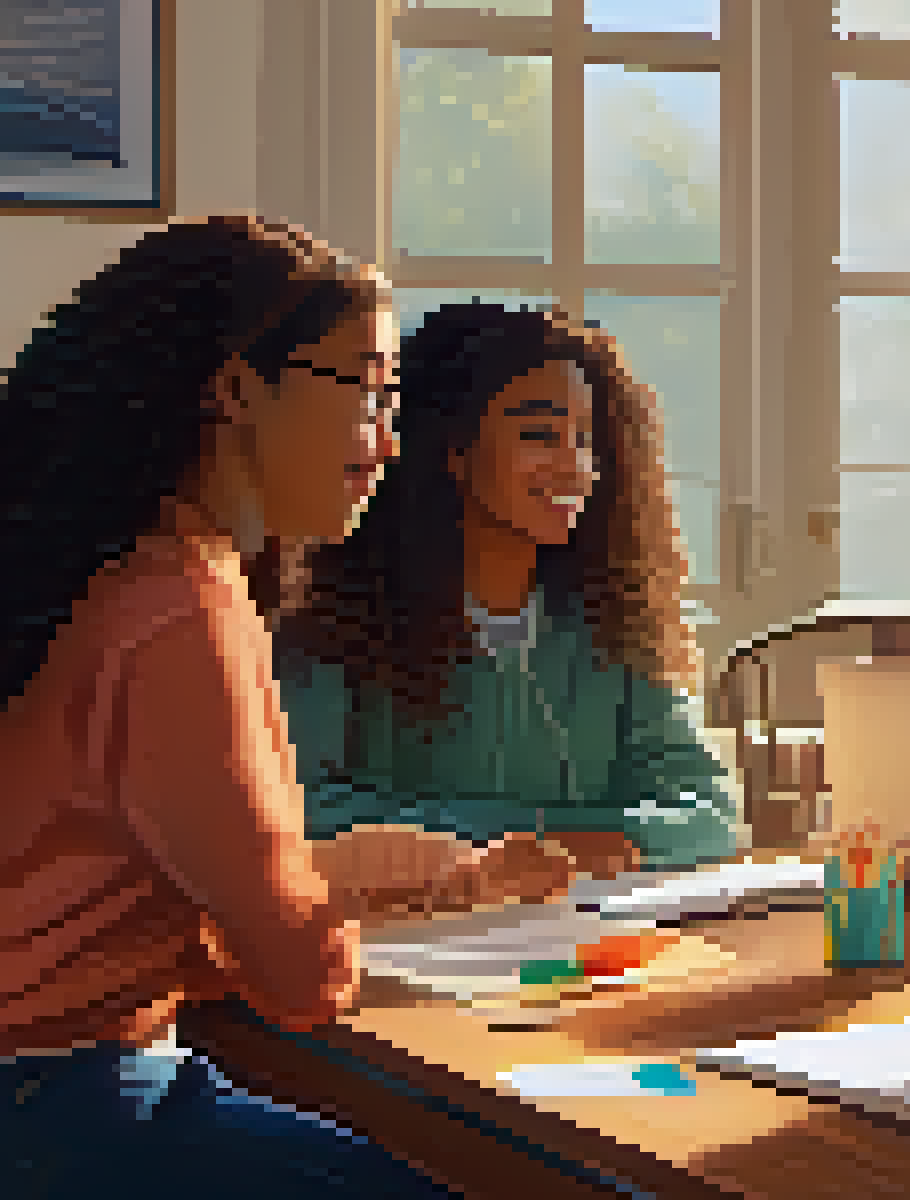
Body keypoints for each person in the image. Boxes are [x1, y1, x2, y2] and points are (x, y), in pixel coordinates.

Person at [0, 215, 461, 1195]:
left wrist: (309, 888)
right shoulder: (181, 611)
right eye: (367, 392)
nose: (388, 443)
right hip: (62, 1106)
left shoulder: (100, 578)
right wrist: (335, 889)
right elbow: (303, 985)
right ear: (238, 389)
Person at [276, 301, 738, 898]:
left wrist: (602, 842)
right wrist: (533, 839)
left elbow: (709, 815)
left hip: (582, 941)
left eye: (585, 442)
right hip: (406, 940)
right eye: (540, 436)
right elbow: (302, 810)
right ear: (453, 451)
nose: (573, 468)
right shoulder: (326, 623)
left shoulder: (616, 624)